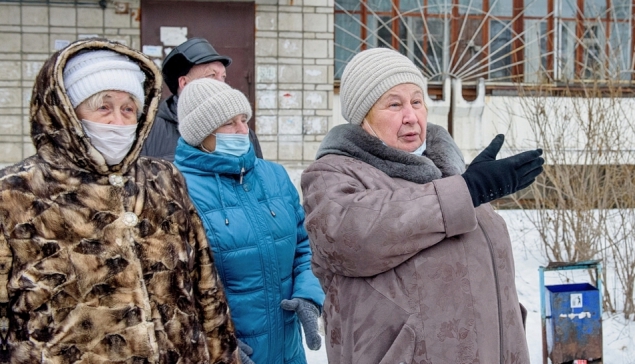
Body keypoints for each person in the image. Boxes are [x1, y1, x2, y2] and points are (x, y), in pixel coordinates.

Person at [0, 38, 239, 363]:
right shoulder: (16, 193)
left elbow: (206, 288)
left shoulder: (163, 179)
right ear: (66, 110)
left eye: (129, 108)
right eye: (103, 106)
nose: (119, 121)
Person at [301, 48, 544, 363]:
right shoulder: (332, 174)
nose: (411, 115)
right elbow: (351, 236)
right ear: (363, 117)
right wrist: (468, 190)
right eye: (394, 104)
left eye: (417, 101)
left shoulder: (445, 170)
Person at [173, 78, 325, 364]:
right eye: (230, 123)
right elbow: (173, 289)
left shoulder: (275, 177)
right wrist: (215, 343)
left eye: (244, 119)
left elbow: (305, 247)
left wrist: (308, 294)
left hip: (288, 352)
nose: (243, 131)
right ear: (201, 132)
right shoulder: (175, 188)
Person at [141, 37, 263, 161]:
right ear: (184, 83)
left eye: (223, 76)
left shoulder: (241, 130)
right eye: (212, 75)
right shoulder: (150, 131)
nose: (222, 84)